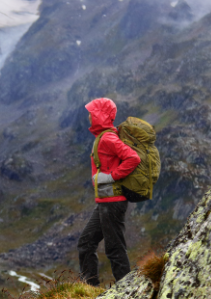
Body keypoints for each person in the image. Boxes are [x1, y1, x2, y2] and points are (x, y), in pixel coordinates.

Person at [77, 98, 141, 286]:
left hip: (112, 202)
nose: (89, 116)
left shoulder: (108, 138)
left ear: (100, 115)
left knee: (114, 248)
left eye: (92, 112)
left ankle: (127, 290)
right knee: (86, 243)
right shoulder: (103, 137)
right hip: (105, 202)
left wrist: (112, 176)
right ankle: (90, 289)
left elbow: (133, 158)